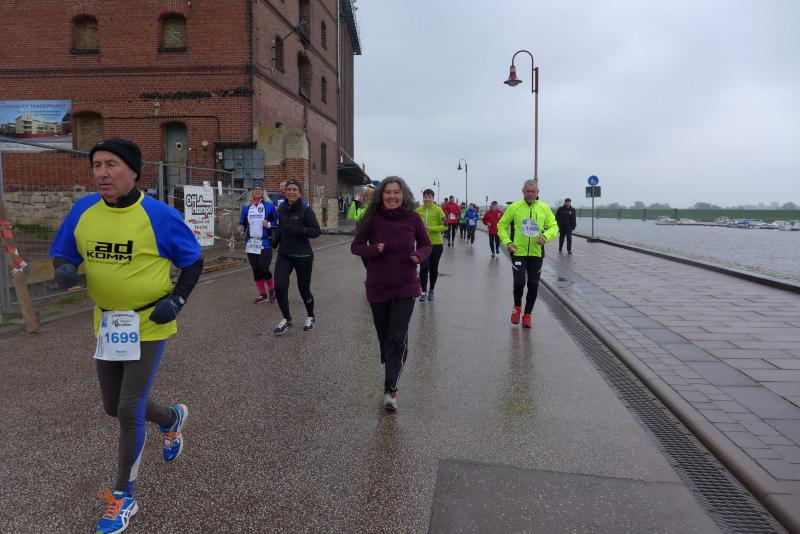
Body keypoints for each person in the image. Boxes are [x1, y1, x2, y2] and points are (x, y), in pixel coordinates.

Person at [49, 137, 202, 534]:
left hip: (149, 321)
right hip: (108, 323)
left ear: (134, 171)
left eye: (112, 164)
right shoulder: (84, 209)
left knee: (129, 409)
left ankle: (124, 497)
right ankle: (171, 418)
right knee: (112, 405)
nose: (102, 173)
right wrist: (63, 268)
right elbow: (65, 252)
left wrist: (178, 299)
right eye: (97, 165)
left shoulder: (160, 216)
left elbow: (193, 261)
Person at [351, 176, 431, 410]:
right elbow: (356, 247)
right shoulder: (371, 218)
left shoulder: (413, 218)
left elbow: (426, 245)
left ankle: (390, 389)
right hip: (378, 286)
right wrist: (373, 250)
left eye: (396, 192)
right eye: (388, 192)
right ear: (381, 195)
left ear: (403, 195)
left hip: (406, 285)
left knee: (396, 336)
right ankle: (395, 362)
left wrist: (418, 256)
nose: (392, 196)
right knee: (385, 338)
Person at [497, 179, 558, 329]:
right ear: (523, 191)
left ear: (538, 192)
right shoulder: (514, 207)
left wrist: (546, 237)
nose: (530, 194)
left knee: (533, 284)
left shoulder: (544, 208)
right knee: (519, 282)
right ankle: (517, 307)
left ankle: (528, 314)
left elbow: (554, 227)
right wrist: (508, 242)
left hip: (536, 253)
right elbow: (501, 225)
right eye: (528, 191)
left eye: (533, 191)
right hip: (518, 252)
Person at [273, 179, 321, 334]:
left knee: (303, 289)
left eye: (294, 189)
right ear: (285, 191)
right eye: (289, 189)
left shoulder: (306, 210)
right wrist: (275, 239)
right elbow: (281, 227)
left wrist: (299, 230)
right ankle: (287, 319)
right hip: (285, 254)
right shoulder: (282, 208)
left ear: (299, 192)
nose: (291, 192)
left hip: (303, 255)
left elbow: (316, 231)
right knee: (279, 287)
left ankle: (311, 316)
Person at [238, 179, 279, 303]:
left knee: (263, 268)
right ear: (252, 191)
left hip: (265, 242)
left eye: (259, 189)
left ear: (263, 191)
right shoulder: (246, 207)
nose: (257, 191)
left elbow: (277, 223)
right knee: (256, 270)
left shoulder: (269, 206)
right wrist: (241, 228)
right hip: (251, 243)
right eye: (255, 189)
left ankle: (272, 290)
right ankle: (262, 294)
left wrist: (269, 224)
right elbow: (242, 223)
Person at [415, 189, 447, 302]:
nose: (427, 199)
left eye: (429, 197)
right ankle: (423, 292)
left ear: (433, 198)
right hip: (422, 245)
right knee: (424, 268)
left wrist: (430, 228)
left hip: (436, 244)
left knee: (433, 268)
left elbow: (445, 226)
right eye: (425, 197)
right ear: (423, 198)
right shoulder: (417, 211)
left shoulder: (438, 210)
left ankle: (431, 290)